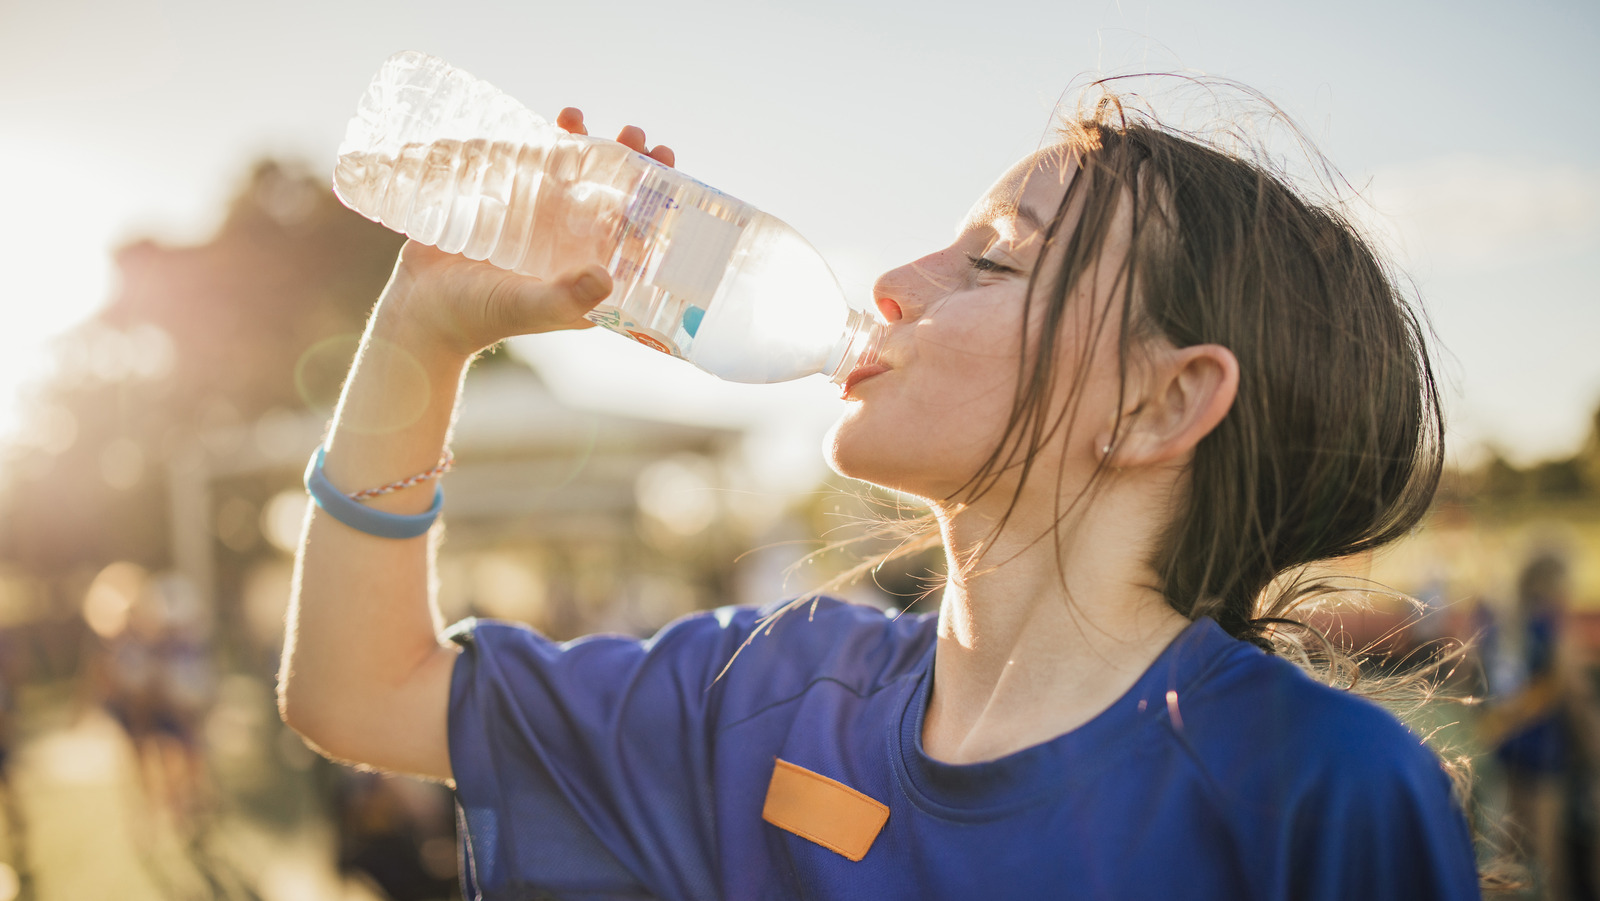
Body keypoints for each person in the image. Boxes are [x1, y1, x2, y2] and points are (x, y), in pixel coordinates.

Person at [280, 91, 1486, 899]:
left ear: (1157, 406)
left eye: (995, 257)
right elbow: (361, 692)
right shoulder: (767, 697)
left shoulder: (1317, 790)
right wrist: (421, 334)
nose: (896, 283)